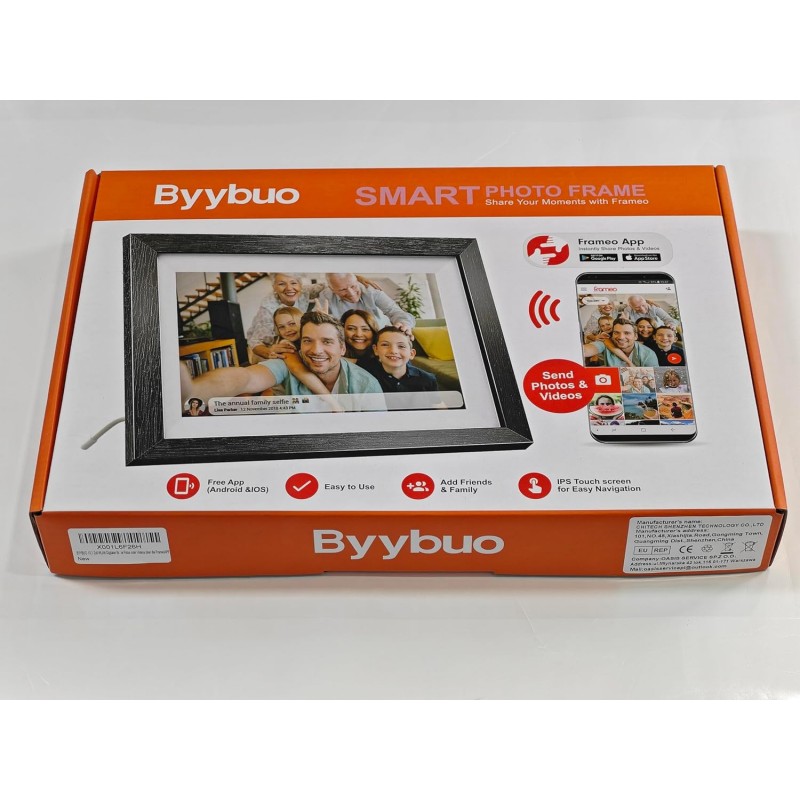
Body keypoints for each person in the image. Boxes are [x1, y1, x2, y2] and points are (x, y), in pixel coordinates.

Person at [182, 311, 383, 409]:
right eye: (307, 341)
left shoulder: (367, 385)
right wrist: (194, 392)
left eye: (327, 341)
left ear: (342, 348)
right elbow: (245, 377)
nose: (316, 350)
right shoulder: (288, 362)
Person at [317, 273, 415, 336]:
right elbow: (315, 320)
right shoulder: (326, 295)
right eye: (342, 290)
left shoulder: (372, 291)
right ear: (332, 289)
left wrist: (403, 324)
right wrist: (320, 319)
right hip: (347, 342)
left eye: (353, 286)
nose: (351, 293)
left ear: (357, 281)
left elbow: (395, 312)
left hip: (377, 337)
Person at [362, 326, 438, 393]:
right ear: (376, 350)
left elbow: (435, 404)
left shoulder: (428, 379)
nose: (393, 351)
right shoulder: (366, 378)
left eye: (401, 346)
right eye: (385, 345)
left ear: (411, 354)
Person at [583, 317, 658, 368]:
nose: (621, 337)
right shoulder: (605, 342)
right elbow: (585, 350)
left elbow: (654, 379)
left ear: (636, 336)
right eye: (616, 333)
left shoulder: (648, 354)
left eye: (627, 333)